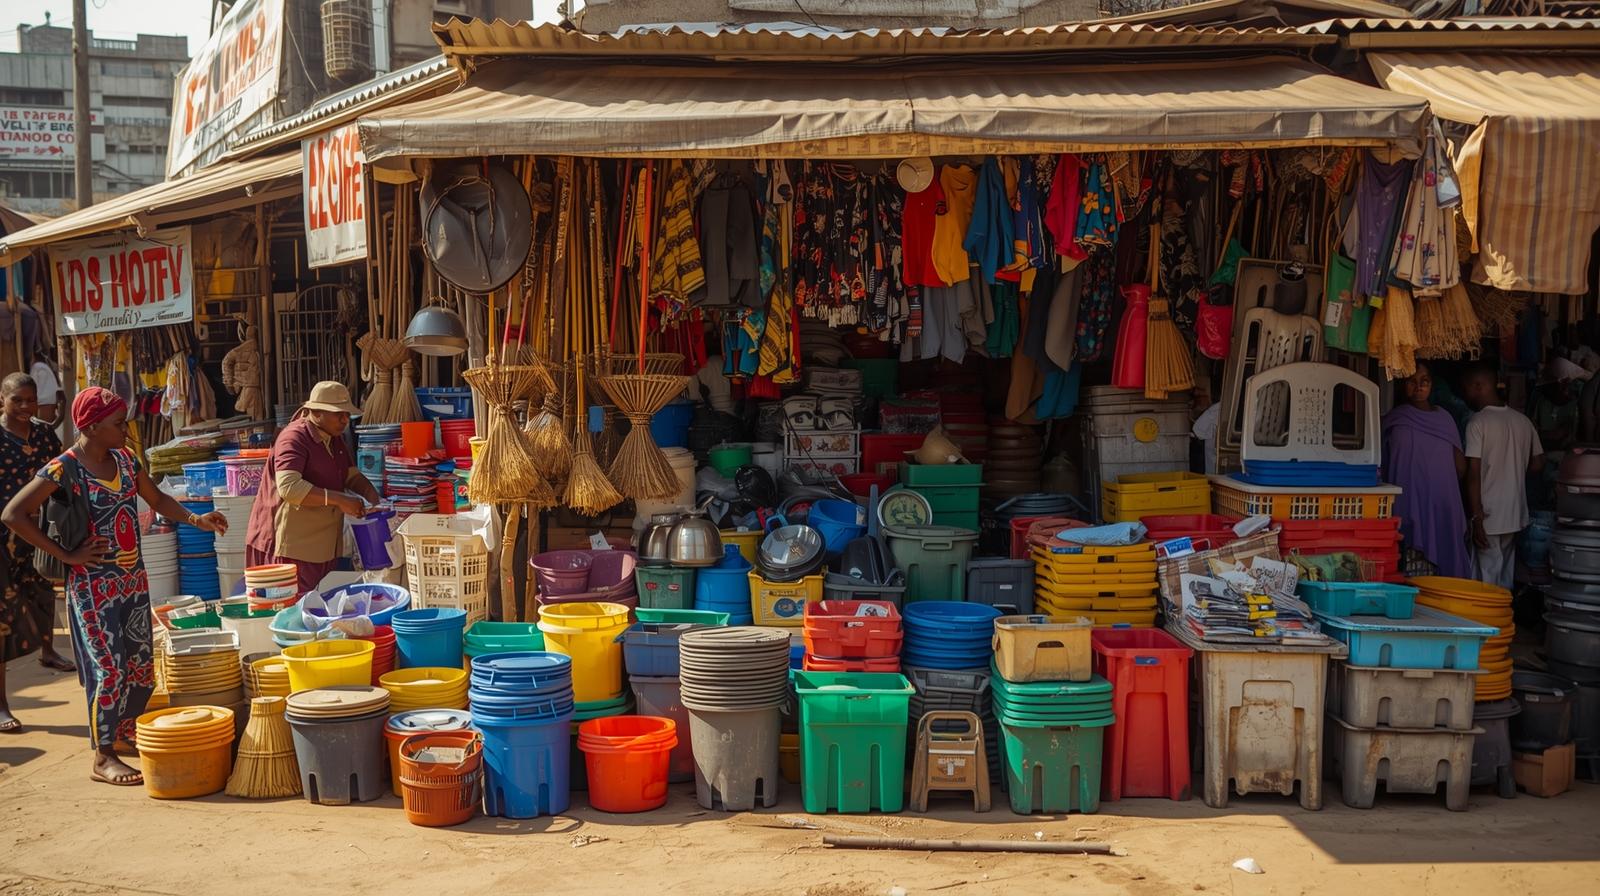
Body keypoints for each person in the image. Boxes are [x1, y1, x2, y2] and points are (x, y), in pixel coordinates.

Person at [1, 387, 228, 785]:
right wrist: (67, 556)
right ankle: (102, 756)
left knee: (141, 669)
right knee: (109, 671)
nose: (127, 429)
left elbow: (157, 500)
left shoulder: (126, 459)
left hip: (132, 583)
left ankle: (124, 733)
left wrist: (197, 520)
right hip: (91, 590)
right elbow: (14, 514)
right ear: (91, 426)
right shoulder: (63, 468)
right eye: (119, 423)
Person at [245, 382, 380, 594]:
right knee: (292, 612)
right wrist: (341, 500)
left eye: (346, 414)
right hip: (291, 548)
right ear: (316, 412)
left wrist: (376, 499)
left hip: (321, 547)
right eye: (338, 414)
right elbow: (289, 487)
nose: (345, 420)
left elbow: (351, 476)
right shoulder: (293, 438)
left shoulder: (334, 439)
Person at [0, 373, 77, 734]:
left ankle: (48, 651)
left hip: (38, 532)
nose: (27, 407)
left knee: (44, 593)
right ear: (3, 399)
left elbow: (62, 472)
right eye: (18, 401)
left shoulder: (44, 433)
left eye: (31, 400)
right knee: (3, 617)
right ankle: (1, 705)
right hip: (2, 536)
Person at [1381, 362, 1472, 579]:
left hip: (1441, 503)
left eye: (1425, 381)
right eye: (1412, 381)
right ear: (1404, 384)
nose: (1419, 386)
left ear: (1432, 385)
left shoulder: (1445, 419)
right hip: (1406, 502)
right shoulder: (1394, 419)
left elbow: (1460, 467)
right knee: (1405, 565)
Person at [1462, 364, 1545, 590]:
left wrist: (1476, 517)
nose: (1465, 393)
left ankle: (1489, 622)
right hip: (1515, 511)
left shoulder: (1477, 422)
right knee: (1505, 575)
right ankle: (1505, 620)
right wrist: (1513, 468)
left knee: (1486, 578)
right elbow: (1538, 463)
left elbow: (1473, 473)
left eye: (1467, 387)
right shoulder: (1523, 421)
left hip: (1488, 512)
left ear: (1478, 386)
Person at [28, 350, 63, 429]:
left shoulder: (38, 367)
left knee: (43, 429)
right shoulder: (42, 366)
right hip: (46, 401)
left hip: (44, 402)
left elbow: (32, 385)